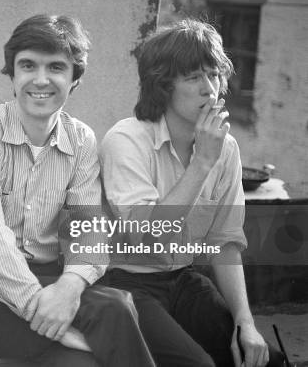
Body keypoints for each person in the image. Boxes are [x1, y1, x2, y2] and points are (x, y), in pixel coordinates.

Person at [0, 14, 155, 367]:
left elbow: (87, 232)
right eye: (28, 65)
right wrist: (48, 318)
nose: (40, 80)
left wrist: (71, 287)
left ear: (75, 80)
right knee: (91, 349)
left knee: (116, 307)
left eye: (56, 67)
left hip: (47, 279)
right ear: (12, 74)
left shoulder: (81, 140)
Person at [99, 19, 285, 367]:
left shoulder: (225, 148)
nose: (209, 89)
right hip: (124, 282)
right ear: (163, 85)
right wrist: (201, 164)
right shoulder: (126, 140)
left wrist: (245, 320)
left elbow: (225, 240)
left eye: (213, 75)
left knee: (262, 358)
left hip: (183, 278)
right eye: (193, 77)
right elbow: (148, 236)